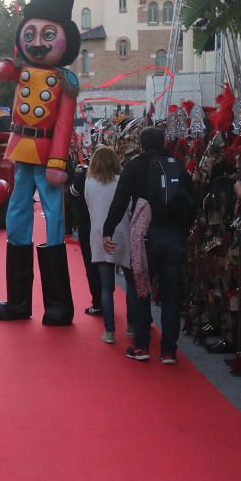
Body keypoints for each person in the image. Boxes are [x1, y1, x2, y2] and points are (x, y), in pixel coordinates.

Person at [0, 0, 86, 327]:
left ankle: (58, 304)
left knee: (53, 218)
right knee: (18, 216)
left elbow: (64, 124)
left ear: (65, 39)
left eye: (48, 35)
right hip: (20, 153)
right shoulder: (21, 69)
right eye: (32, 33)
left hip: (47, 158)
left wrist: (58, 162)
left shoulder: (65, 81)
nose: (38, 42)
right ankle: (18, 300)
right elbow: (4, 68)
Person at [103, 126, 197, 364]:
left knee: (140, 290)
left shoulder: (134, 167)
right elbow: (192, 202)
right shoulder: (176, 166)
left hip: (145, 237)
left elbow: (120, 200)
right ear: (164, 141)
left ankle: (142, 345)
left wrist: (108, 230)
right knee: (171, 295)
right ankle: (168, 351)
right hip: (174, 236)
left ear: (141, 144)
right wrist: (183, 231)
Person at [84, 146, 135, 343]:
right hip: (122, 232)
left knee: (106, 286)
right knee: (130, 281)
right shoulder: (122, 181)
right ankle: (131, 324)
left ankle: (109, 331)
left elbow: (89, 206)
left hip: (99, 233)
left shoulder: (89, 182)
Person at [69, 163, 102, 316]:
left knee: (91, 265)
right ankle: (107, 299)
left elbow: (72, 193)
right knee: (107, 264)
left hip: (87, 223)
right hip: (107, 225)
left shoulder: (85, 176)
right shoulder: (116, 176)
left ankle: (97, 301)